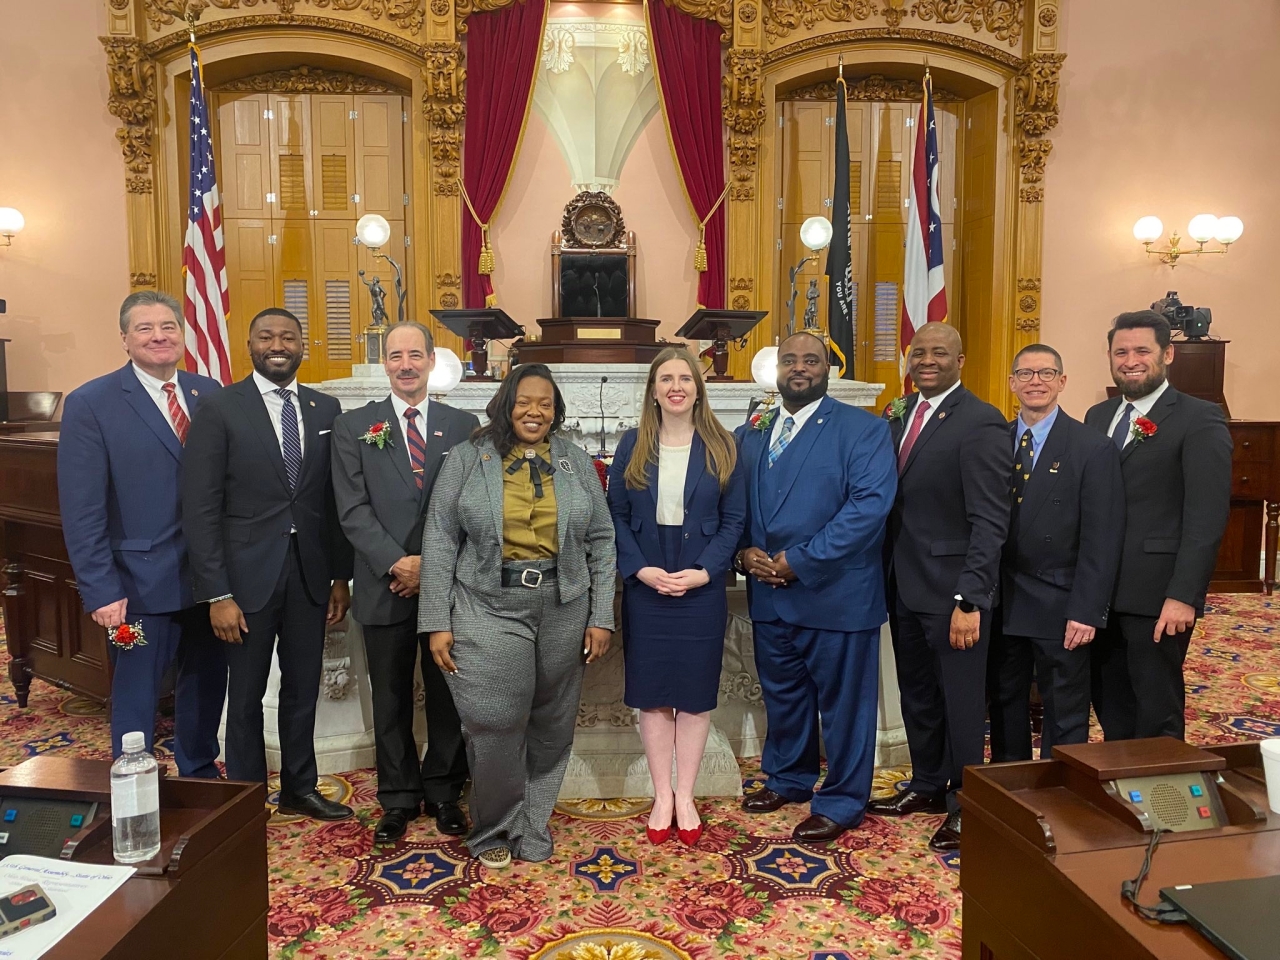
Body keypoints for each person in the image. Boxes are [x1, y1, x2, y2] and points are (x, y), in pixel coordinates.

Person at [419, 364, 616, 868]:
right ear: (506, 403)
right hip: (488, 603)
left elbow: (601, 539)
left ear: (557, 411)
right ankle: (495, 826)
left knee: (553, 720)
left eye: (545, 403)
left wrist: (601, 615)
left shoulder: (574, 460)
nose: (535, 411)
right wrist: (435, 620)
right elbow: (441, 537)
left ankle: (533, 821)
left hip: (562, 603)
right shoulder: (467, 459)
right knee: (496, 720)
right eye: (524, 401)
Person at [182, 307, 355, 820]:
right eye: (266, 336)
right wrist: (216, 593)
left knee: (304, 690)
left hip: (308, 576)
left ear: (303, 346)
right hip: (243, 583)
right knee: (247, 696)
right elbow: (201, 506)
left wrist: (339, 575)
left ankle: (300, 788)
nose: (277, 344)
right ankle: (245, 799)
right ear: (250, 345)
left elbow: (332, 501)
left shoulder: (326, 409)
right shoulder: (219, 408)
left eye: (288, 336)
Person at [734, 332, 897, 843]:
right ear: (775, 369)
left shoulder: (863, 430)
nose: (799, 368)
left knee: (845, 708)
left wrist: (800, 562)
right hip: (769, 595)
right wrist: (742, 552)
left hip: (836, 594)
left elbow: (868, 508)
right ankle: (789, 778)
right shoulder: (751, 431)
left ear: (829, 369)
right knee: (783, 699)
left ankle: (843, 801)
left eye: (811, 360)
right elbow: (735, 504)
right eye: (790, 360)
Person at [57, 291, 226, 774]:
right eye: (146, 328)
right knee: (137, 688)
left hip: (207, 581)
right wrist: (100, 590)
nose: (160, 336)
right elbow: (82, 508)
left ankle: (198, 773)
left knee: (206, 681)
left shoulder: (208, 392)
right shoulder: (92, 403)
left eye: (169, 326)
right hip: (135, 588)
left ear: (183, 334)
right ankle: (135, 782)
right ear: (125, 339)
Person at [331, 321, 478, 843]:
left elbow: (472, 508)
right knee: (389, 698)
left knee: (447, 696)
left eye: (416, 354)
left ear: (433, 360)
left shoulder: (464, 425)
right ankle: (396, 797)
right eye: (396, 356)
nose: (407, 364)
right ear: (384, 363)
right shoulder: (355, 427)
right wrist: (398, 562)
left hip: (448, 591)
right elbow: (351, 510)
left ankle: (443, 791)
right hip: (382, 583)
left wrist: (431, 569)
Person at [869, 322, 1009, 852]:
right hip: (904, 586)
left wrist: (970, 599)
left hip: (955, 594)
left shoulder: (981, 422)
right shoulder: (900, 413)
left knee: (963, 703)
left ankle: (965, 804)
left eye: (939, 353)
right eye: (918, 352)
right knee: (919, 695)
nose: (926, 360)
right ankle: (928, 785)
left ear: (961, 359)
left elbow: (991, 521)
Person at [607, 347, 746, 846]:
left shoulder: (722, 445)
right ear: (653, 389)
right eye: (665, 378)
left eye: (684, 377)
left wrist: (704, 572)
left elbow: (734, 522)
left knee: (693, 693)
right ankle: (661, 794)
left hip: (700, 587)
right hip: (647, 583)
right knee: (652, 694)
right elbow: (615, 515)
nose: (675, 386)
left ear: (697, 387)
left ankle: (685, 794)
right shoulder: (632, 444)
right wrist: (639, 569)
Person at [1084, 310, 1232, 740]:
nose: (1131, 360)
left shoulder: (1198, 418)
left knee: (1155, 705)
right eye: (1121, 352)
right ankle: (1123, 792)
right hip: (1099, 592)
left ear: (1167, 354)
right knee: (1110, 701)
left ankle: (1166, 799)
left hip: (1157, 594)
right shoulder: (1098, 416)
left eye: (1142, 350)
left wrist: (1183, 595)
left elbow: (1206, 518)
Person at [988, 344, 1124, 762]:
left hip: (1061, 601)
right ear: (1012, 383)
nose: (1035, 382)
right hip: (1001, 598)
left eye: (1046, 374)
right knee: (1004, 699)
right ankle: (1011, 786)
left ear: (1062, 382)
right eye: (1025, 374)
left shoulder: (1091, 447)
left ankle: (1063, 791)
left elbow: (1103, 537)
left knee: (1064, 705)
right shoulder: (994, 442)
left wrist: (1087, 609)